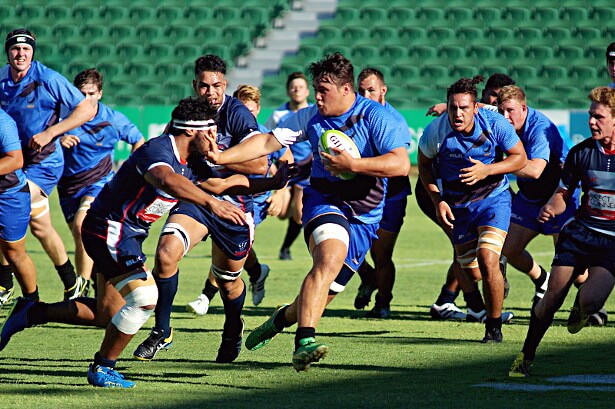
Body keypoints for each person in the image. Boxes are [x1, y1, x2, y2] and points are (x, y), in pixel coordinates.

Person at [0, 97, 252, 388]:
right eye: (210, 131)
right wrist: (212, 204)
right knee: (144, 300)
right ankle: (102, 367)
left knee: (107, 315)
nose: (214, 137)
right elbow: (165, 180)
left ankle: (31, 312)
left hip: (126, 234)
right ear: (192, 131)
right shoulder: (157, 150)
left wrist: (273, 182)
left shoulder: (191, 161)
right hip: (108, 229)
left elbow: (220, 182)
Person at [205, 53, 411, 371]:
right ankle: (305, 341)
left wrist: (353, 165)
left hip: (366, 217)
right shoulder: (310, 117)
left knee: (323, 293)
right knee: (328, 258)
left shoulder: (375, 117)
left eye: (323, 90)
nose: (316, 96)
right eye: (315, 88)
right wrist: (220, 158)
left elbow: (400, 164)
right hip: (324, 202)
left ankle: (279, 320)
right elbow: (266, 143)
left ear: (345, 90)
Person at [133, 55, 269, 363]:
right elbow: (168, 152)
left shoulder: (236, 114)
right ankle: (162, 331)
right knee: (166, 254)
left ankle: (233, 327)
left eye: (217, 86)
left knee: (228, 281)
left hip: (232, 205)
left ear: (226, 84)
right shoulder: (187, 115)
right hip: (195, 200)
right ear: (195, 85)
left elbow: (260, 163)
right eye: (204, 86)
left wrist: (218, 155)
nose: (211, 92)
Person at [509, 86, 615, 377]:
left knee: (592, 302)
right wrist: (551, 207)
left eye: (599, 117)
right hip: (581, 234)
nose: (592, 122)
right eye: (591, 116)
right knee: (550, 300)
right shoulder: (581, 154)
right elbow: (563, 193)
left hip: (611, 243)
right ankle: (525, 357)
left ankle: (581, 309)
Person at [418, 76, 527, 343]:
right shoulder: (435, 132)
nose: (458, 113)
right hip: (457, 205)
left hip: (493, 198)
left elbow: (520, 158)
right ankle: (494, 277)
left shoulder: (495, 123)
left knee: (487, 259)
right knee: (473, 272)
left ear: (475, 107)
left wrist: (486, 170)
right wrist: (438, 201)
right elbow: (423, 168)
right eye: (453, 107)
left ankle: (493, 326)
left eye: (464, 108)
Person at [0, 28, 95, 303]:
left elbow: (87, 108)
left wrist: (52, 132)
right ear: (8, 52)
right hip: (14, 159)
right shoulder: (2, 79)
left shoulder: (48, 78)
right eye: (15, 49)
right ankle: (70, 281)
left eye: (26, 49)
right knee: (40, 225)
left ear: (33, 53)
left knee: (7, 207)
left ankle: (5, 284)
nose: (20, 54)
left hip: (44, 162)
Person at [186, 84, 293, 311]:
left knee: (225, 243)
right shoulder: (226, 130)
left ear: (258, 110)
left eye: (252, 112)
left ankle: (205, 296)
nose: (248, 117)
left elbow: (286, 158)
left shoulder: (263, 134)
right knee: (230, 245)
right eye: (244, 111)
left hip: (256, 200)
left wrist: (281, 192)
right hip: (227, 194)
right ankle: (257, 272)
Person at [59, 68, 144, 293]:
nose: (86, 99)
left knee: (81, 225)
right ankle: (100, 280)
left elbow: (139, 141)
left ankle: (80, 286)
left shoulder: (113, 120)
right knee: (86, 239)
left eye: (91, 93)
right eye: (81, 94)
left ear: (100, 94)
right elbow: (43, 139)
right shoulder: (64, 117)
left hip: (99, 183)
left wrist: (130, 173)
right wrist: (59, 139)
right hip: (68, 186)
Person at [498, 85, 575, 306]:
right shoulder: (505, 117)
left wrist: (492, 167)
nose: (505, 117)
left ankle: (590, 304)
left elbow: (534, 171)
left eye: (510, 111)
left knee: (569, 263)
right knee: (507, 250)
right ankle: (542, 279)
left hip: (560, 195)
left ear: (524, 108)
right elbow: (480, 108)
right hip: (530, 198)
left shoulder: (540, 129)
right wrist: (447, 107)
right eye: (501, 110)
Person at [352, 67, 412, 318]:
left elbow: (398, 163)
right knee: (344, 245)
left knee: (381, 253)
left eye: (371, 90)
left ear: (383, 91)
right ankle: (367, 277)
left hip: (391, 195)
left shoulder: (393, 120)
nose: (365, 96)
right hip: (360, 190)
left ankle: (383, 303)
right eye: (361, 90)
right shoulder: (353, 117)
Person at [265, 72, 313, 261]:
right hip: (285, 169)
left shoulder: (314, 112)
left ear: (307, 91)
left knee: (300, 214)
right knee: (282, 213)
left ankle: (285, 249)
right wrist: (272, 167)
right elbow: (265, 141)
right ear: (288, 91)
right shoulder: (279, 115)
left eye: (300, 87)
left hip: (306, 170)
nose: (297, 90)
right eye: (293, 87)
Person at [0, 109, 38, 306]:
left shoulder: (3, 122)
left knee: (14, 251)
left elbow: (15, 160)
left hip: (9, 195)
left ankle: (32, 302)